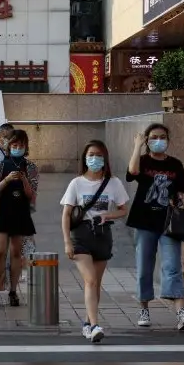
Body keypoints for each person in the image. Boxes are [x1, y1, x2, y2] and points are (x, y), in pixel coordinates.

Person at [126, 124, 184, 331]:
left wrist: (178, 201)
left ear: (168, 140)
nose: (159, 140)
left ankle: (181, 311)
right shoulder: (144, 161)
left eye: (163, 137)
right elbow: (132, 171)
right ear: (147, 140)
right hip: (144, 221)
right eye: (154, 137)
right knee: (144, 267)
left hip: (168, 223)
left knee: (173, 266)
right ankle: (144, 309)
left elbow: (180, 192)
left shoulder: (175, 164)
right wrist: (137, 146)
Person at [60, 140, 130, 342]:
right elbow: (66, 214)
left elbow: (124, 209)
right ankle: (95, 324)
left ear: (105, 158)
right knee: (89, 280)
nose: (94, 158)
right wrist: (67, 242)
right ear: (84, 158)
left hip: (102, 235)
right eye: (90, 154)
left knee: (96, 284)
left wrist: (108, 215)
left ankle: (87, 324)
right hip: (81, 235)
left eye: (99, 155)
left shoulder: (114, 183)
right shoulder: (76, 183)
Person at [0, 129, 39, 308]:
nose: (17, 148)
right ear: (8, 146)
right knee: (0, 251)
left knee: (16, 252)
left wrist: (24, 180)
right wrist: (7, 180)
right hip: (3, 212)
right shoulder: (0, 165)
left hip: (21, 212)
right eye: (14, 145)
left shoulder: (30, 167)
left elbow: (31, 195)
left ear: (26, 147)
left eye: (21, 146)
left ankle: (13, 291)